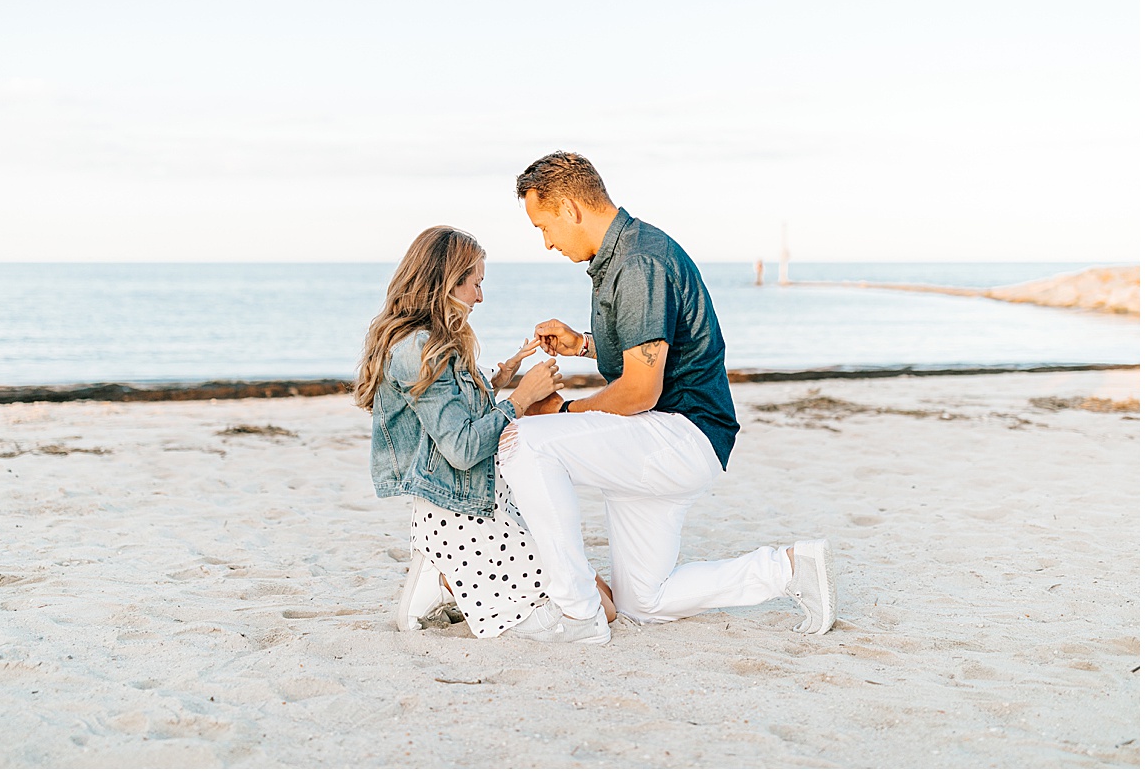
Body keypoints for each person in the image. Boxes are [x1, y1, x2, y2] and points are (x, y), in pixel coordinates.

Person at [496, 151, 838, 643]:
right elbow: (647, 354)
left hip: (680, 433)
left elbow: (640, 388)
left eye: (543, 226)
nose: (546, 242)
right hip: (665, 438)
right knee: (645, 601)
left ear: (570, 208)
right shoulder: (625, 254)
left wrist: (563, 410)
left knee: (525, 440)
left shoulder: (638, 263)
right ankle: (789, 570)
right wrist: (582, 345)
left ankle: (576, 613)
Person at [355, 225, 615, 642]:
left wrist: (503, 377)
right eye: (475, 284)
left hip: (485, 498)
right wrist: (520, 401)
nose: (480, 296)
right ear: (447, 284)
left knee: (602, 598)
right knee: (599, 609)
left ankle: (446, 583)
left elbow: (452, 413)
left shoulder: (435, 342)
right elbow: (459, 448)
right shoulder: (418, 349)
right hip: (461, 513)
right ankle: (442, 579)